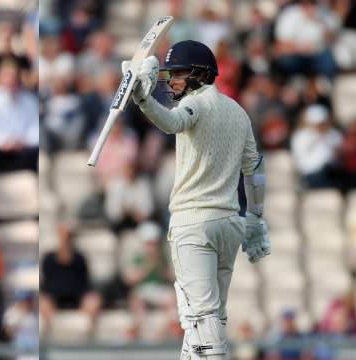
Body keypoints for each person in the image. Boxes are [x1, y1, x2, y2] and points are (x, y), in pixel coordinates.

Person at [128, 40, 270, 359]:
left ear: (200, 74)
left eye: (177, 73)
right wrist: (256, 220)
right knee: (207, 315)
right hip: (230, 225)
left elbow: (172, 123)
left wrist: (142, 98)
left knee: (201, 315)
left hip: (194, 225)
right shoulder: (238, 112)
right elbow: (255, 169)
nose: (172, 80)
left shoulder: (196, 105)